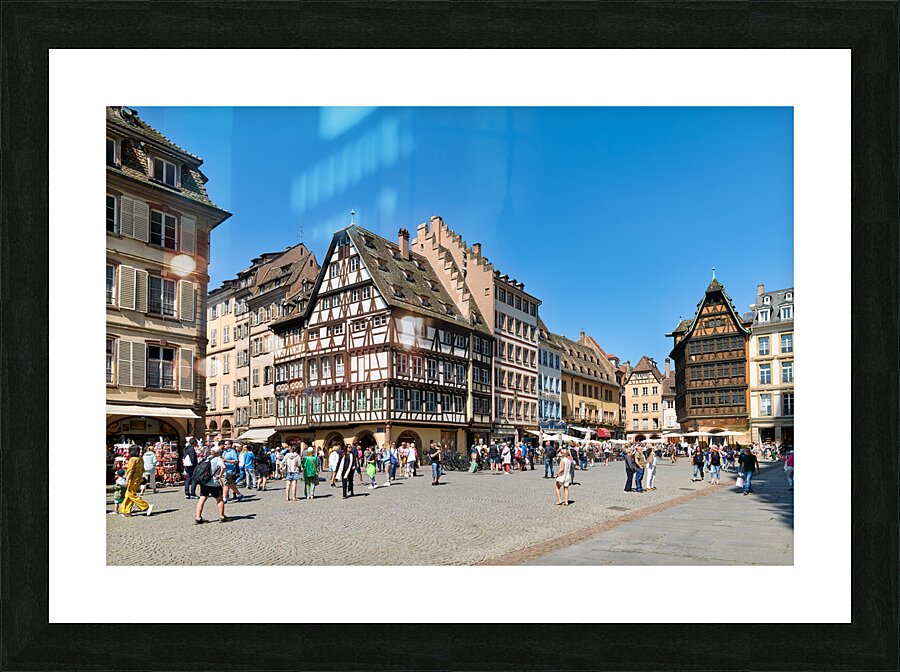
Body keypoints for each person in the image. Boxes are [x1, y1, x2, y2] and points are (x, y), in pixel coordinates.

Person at [194, 446, 226, 524]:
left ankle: (198, 517)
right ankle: (221, 516)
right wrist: (220, 475)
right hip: (214, 483)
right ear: (218, 453)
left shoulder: (206, 459)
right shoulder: (218, 459)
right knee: (219, 499)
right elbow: (223, 467)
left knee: (202, 499)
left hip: (204, 482)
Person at [120, 446, 152, 517]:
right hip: (138, 479)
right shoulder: (140, 459)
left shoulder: (132, 459)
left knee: (131, 494)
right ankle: (126, 511)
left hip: (132, 480)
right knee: (128, 495)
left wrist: (127, 480)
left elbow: (130, 471)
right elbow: (143, 469)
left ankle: (146, 506)